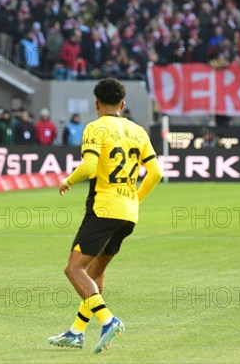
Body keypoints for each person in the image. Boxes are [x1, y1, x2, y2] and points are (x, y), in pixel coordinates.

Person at [48, 78, 162, 353]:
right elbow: (156, 173)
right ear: (122, 105)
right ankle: (76, 332)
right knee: (96, 271)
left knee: (74, 269)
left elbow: (89, 167)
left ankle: (108, 320)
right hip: (128, 213)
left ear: (97, 104)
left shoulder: (95, 128)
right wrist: (135, 198)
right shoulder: (137, 131)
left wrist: (68, 181)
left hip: (103, 207)